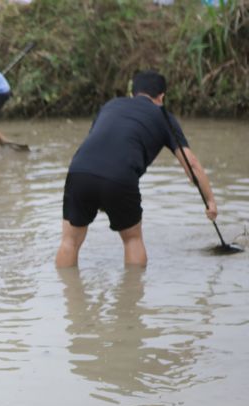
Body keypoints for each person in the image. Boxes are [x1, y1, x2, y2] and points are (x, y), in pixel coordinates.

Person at [55, 70, 218, 267]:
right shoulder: (163, 116)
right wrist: (209, 200)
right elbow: (191, 164)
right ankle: (131, 295)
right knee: (132, 240)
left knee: (69, 242)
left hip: (79, 171)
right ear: (161, 97)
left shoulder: (110, 106)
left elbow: (98, 142)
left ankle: (68, 295)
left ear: (133, 93)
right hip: (119, 177)